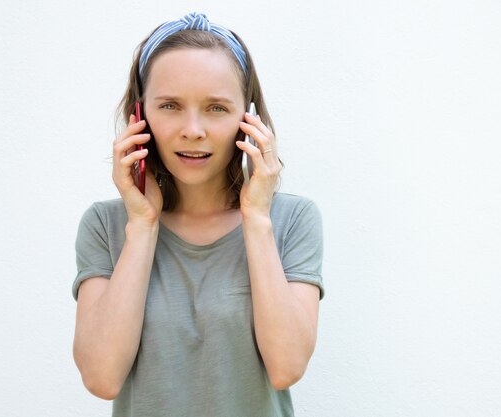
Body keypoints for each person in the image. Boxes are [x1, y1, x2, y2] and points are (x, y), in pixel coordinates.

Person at [72, 11, 324, 417]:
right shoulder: (105, 226)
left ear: (249, 120)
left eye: (216, 108)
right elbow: (101, 378)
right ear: (140, 116)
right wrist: (142, 225)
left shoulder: (293, 219)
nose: (193, 129)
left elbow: (286, 367)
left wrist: (256, 219)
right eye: (170, 105)